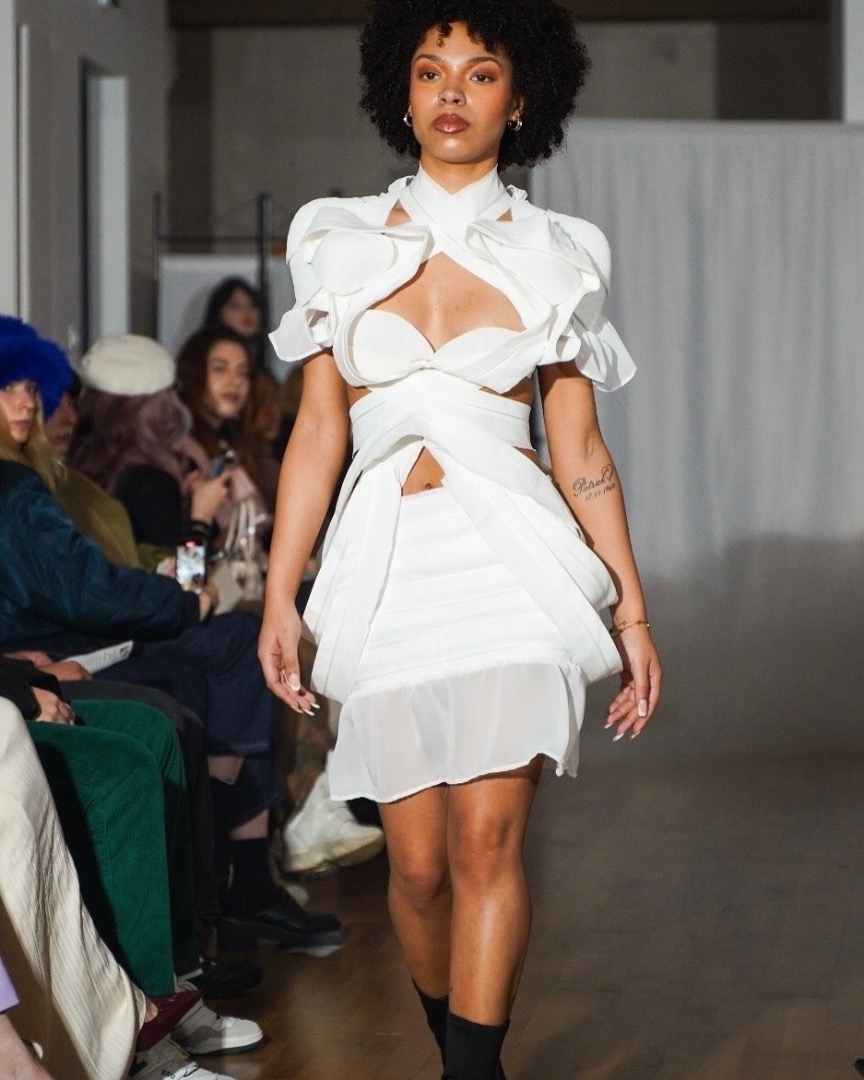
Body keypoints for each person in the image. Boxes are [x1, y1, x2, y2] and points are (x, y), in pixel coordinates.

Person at [259, 3, 662, 1078]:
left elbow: (580, 447)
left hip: (510, 562)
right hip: (387, 566)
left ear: (520, 99)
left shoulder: (561, 252)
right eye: (431, 69)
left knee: (488, 843)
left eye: (481, 73)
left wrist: (631, 610)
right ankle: (454, 1043)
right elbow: (317, 433)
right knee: (418, 867)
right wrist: (279, 595)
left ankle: (472, 1072)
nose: (451, 91)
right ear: (400, 90)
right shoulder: (333, 236)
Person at [0, 316, 344, 957]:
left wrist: (184, 575)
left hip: (89, 628)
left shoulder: (79, 474)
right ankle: (234, 880)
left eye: (37, 390)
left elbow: (110, 574)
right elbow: (95, 588)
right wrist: (191, 560)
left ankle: (238, 878)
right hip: (76, 639)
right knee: (221, 658)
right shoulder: (101, 479)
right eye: (16, 390)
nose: (40, 408)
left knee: (238, 642)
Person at [201, 276, 265, 367]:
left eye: (252, 305)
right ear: (218, 313)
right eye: (235, 306)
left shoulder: (260, 365)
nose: (247, 312)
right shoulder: (207, 358)